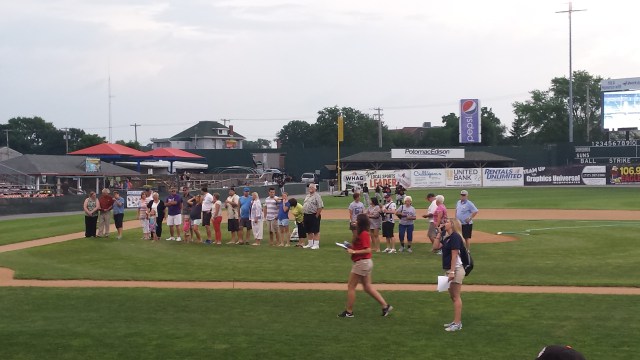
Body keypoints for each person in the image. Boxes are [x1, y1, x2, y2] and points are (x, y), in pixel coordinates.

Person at [338, 213, 393, 318]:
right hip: (365, 262)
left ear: (361, 222)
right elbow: (359, 246)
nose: (356, 221)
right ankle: (385, 306)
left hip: (362, 262)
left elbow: (367, 249)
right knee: (367, 287)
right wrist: (349, 246)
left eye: (357, 220)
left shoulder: (364, 233)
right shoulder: (360, 233)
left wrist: (353, 252)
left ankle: (349, 312)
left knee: (351, 286)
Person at [432, 218, 465, 332]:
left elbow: (454, 256)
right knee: (453, 297)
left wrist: (451, 272)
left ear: (452, 225)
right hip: (450, 270)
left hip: (455, 269)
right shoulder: (448, 238)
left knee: (456, 297)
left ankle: (457, 323)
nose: (444, 223)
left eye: (446, 222)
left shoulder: (455, 237)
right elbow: (435, 247)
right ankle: (455, 321)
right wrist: (439, 233)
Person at [302, 183, 323, 249]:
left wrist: (316, 215)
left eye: (312, 187)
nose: (310, 188)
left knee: (315, 230)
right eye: (309, 187)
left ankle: (316, 244)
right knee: (309, 230)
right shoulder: (307, 196)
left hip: (313, 215)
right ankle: (310, 244)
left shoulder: (317, 196)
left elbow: (320, 206)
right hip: (306, 215)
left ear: (315, 188)